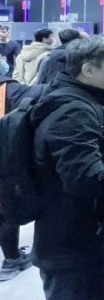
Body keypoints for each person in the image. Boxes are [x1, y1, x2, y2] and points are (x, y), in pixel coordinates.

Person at [30, 36, 104, 300]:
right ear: (88, 70)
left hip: (84, 240)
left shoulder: (86, 101)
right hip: (73, 247)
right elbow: (87, 178)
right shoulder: (73, 112)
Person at [0, 74, 46, 282]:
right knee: (7, 210)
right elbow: (40, 92)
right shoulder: (8, 89)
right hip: (4, 164)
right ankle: (11, 260)